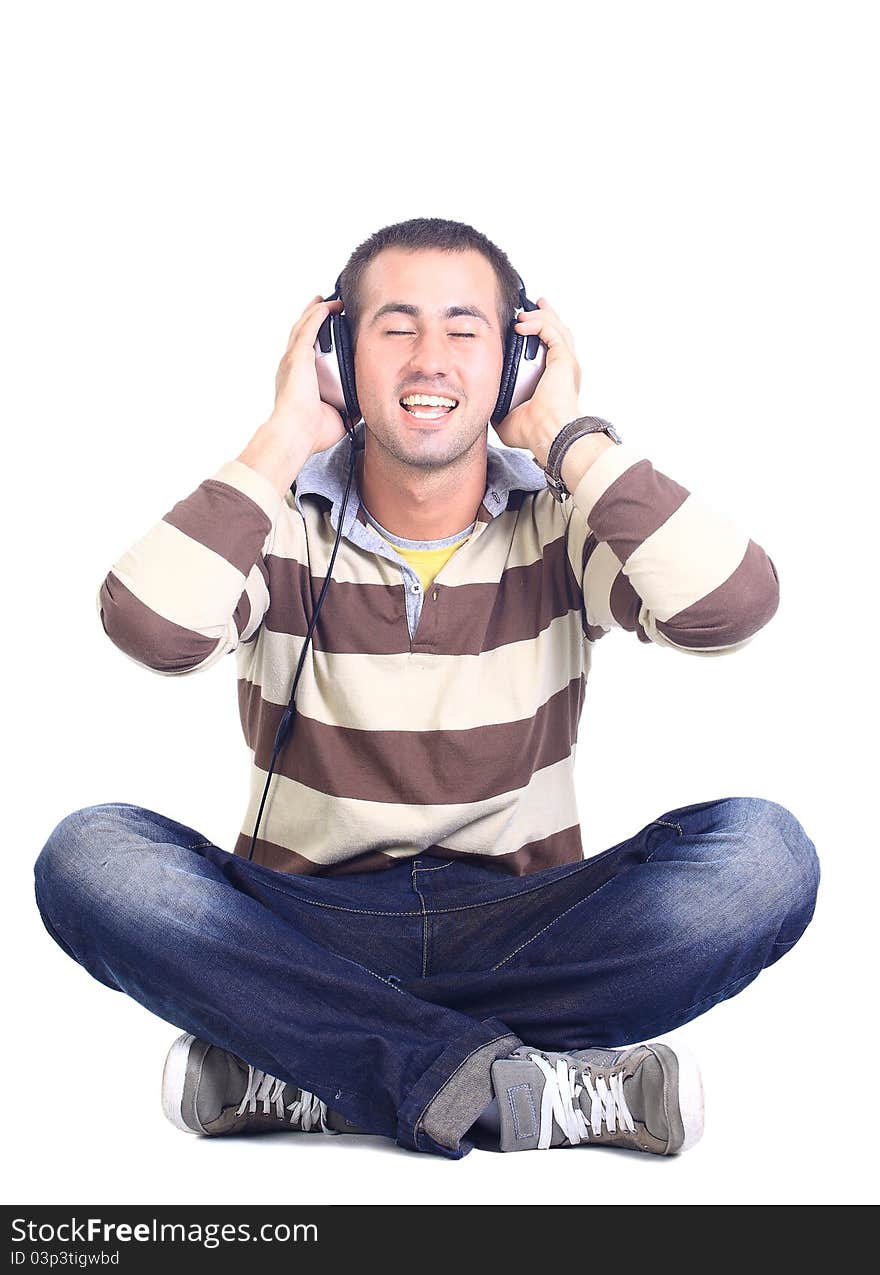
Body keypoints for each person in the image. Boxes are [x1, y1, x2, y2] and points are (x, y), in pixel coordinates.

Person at [33, 217, 819, 1161]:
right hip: (308, 924)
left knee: (764, 856)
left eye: (465, 329)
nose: (430, 360)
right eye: (396, 328)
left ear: (516, 362)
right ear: (339, 355)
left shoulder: (565, 524)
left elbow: (733, 605)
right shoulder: (274, 525)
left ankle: (324, 1065)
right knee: (91, 857)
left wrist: (572, 438)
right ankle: (512, 1088)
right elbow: (150, 628)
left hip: (523, 925)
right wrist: (283, 436)